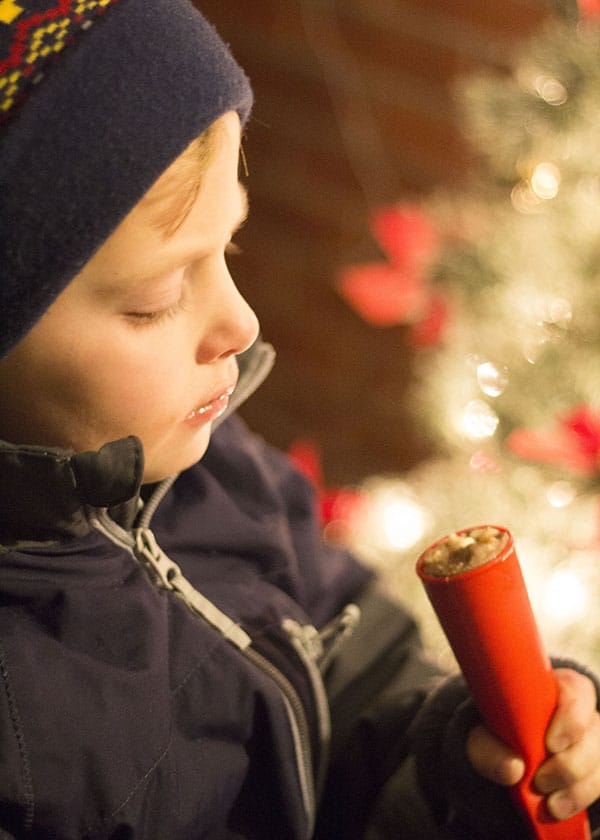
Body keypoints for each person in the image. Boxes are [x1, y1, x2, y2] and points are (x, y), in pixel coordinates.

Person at [0, 2, 599, 838]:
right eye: (159, 298)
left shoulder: (224, 474)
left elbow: (359, 683)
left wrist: (458, 751)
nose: (241, 326)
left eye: (229, 250)